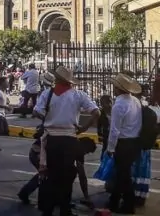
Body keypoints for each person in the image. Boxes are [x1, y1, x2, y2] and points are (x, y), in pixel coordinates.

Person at [33, 66, 99, 216]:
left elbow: (36, 111)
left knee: (51, 176)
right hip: (69, 140)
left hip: (51, 139)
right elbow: (96, 112)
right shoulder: (78, 95)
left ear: (57, 79)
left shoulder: (47, 94)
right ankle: (65, 209)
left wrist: (48, 119)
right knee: (67, 177)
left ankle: (48, 210)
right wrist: (83, 128)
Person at [17, 136, 97, 207]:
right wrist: (86, 197)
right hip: (38, 152)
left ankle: (56, 200)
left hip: (40, 151)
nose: (86, 154)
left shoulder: (74, 144)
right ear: (84, 147)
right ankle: (29, 195)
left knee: (56, 173)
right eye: (87, 151)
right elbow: (82, 175)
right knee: (48, 173)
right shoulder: (76, 148)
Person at [105, 73, 143, 214]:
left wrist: (110, 148)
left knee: (123, 175)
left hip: (123, 143)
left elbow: (114, 130)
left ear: (117, 88)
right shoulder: (136, 101)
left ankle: (127, 204)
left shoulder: (119, 105)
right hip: (134, 141)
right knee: (122, 174)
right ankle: (114, 201)